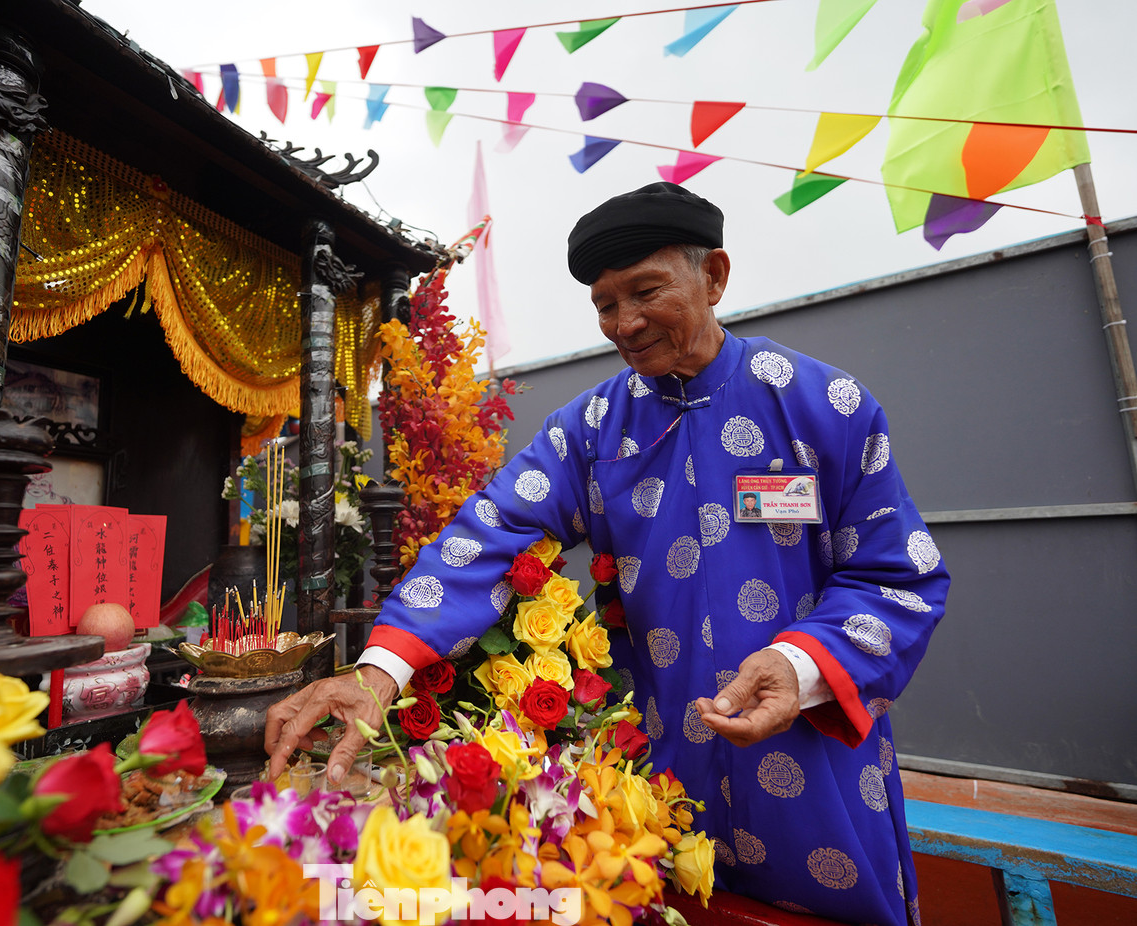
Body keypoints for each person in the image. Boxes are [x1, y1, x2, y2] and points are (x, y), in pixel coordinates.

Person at [266, 182, 948, 926]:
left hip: (819, 768)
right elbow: (488, 535)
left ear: (714, 276)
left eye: (646, 292)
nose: (624, 323)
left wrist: (801, 665)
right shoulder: (589, 430)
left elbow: (897, 578)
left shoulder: (825, 404)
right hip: (659, 777)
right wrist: (379, 670)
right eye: (604, 304)